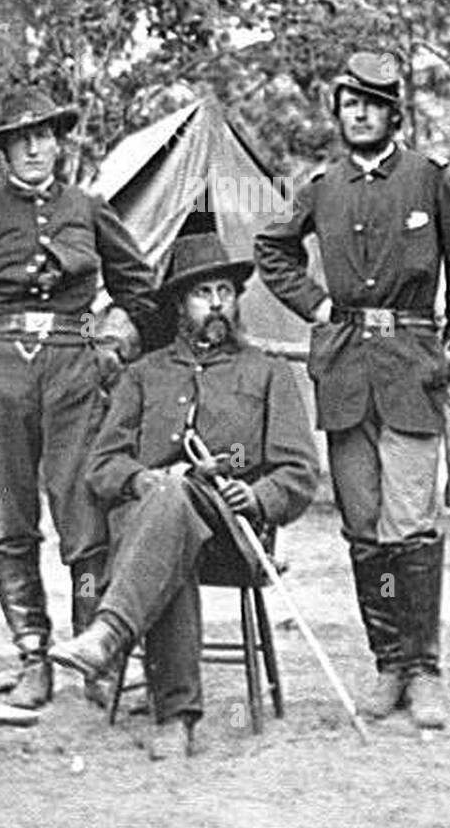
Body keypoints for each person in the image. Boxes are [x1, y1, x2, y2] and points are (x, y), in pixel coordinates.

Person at [255, 52, 450, 729]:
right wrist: (317, 306)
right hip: (343, 371)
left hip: (414, 372)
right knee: (363, 529)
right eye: (347, 103)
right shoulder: (322, 186)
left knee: (410, 526)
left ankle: (424, 671)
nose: (357, 113)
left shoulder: (428, 180)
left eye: (370, 102)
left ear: (394, 112)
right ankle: (387, 664)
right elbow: (272, 250)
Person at [48, 233, 319, 758]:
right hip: (156, 526)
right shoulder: (143, 376)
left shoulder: (267, 373)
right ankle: (173, 717)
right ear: (178, 305)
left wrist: (258, 495)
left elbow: (301, 471)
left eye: (225, 291)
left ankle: (111, 638)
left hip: (232, 531)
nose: (217, 303)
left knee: (172, 508)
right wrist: (140, 480)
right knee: (168, 505)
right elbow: (101, 467)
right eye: (203, 294)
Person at [0, 89, 158, 710]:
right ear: (4, 149)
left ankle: (97, 658)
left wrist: (112, 343)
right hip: (2, 375)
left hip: (74, 373)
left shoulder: (88, 208)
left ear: (59, 143)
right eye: (21, 138)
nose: (34, 147)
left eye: (45, 136)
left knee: (85, 521)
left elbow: (139, 289)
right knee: (7, 522)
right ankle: (34, 656)